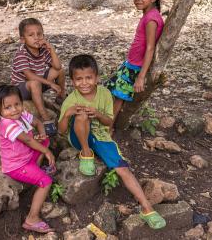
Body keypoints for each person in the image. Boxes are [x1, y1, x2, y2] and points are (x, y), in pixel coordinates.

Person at [58, 54, 166, 229]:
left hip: (100, 136)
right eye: (79, 79)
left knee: (123, 169)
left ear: (97, 78)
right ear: (72, 81)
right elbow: (61, 130)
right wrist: (68, 113)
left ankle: (147, 208)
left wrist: (99, 114)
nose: (84, 83)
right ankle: (86, 153)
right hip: (79, 138)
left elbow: (109, 122)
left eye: (89, 78)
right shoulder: (71, 99)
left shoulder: (105, 94)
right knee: (82, 115)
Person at [0, 84, 56, 233]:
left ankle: (36, 171)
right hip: (16, 166)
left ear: (21, 102)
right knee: (46, 182)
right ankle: (32, 219)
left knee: (44, 141)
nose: (14, 110)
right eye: (8, 107)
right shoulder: (6, 124)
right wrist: (46, 151)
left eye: (17, 104)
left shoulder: (22, 114)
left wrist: (42, 135)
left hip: (26, 156)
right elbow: (27, 140)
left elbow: (38, 122)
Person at [106, 0, 164, 131]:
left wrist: (141, 76)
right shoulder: (148, 14)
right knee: (112, 92)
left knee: (118, 98)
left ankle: (108, 130)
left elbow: (150, 47)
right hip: (130, 64)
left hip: (136, 67)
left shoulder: (151, 18)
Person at [10, 17, 66, 136]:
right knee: (35, 83)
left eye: (39, 34)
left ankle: (61, 97)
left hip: (38, 84)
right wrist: (50, 83)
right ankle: (45, 118)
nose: (36, 37)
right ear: (22, 39)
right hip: (21, 89)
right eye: (31, 35)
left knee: (60, 71)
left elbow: (57, 66)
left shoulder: (43, 50)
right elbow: (30, 76)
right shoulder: (21, 54)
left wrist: (51, 49)